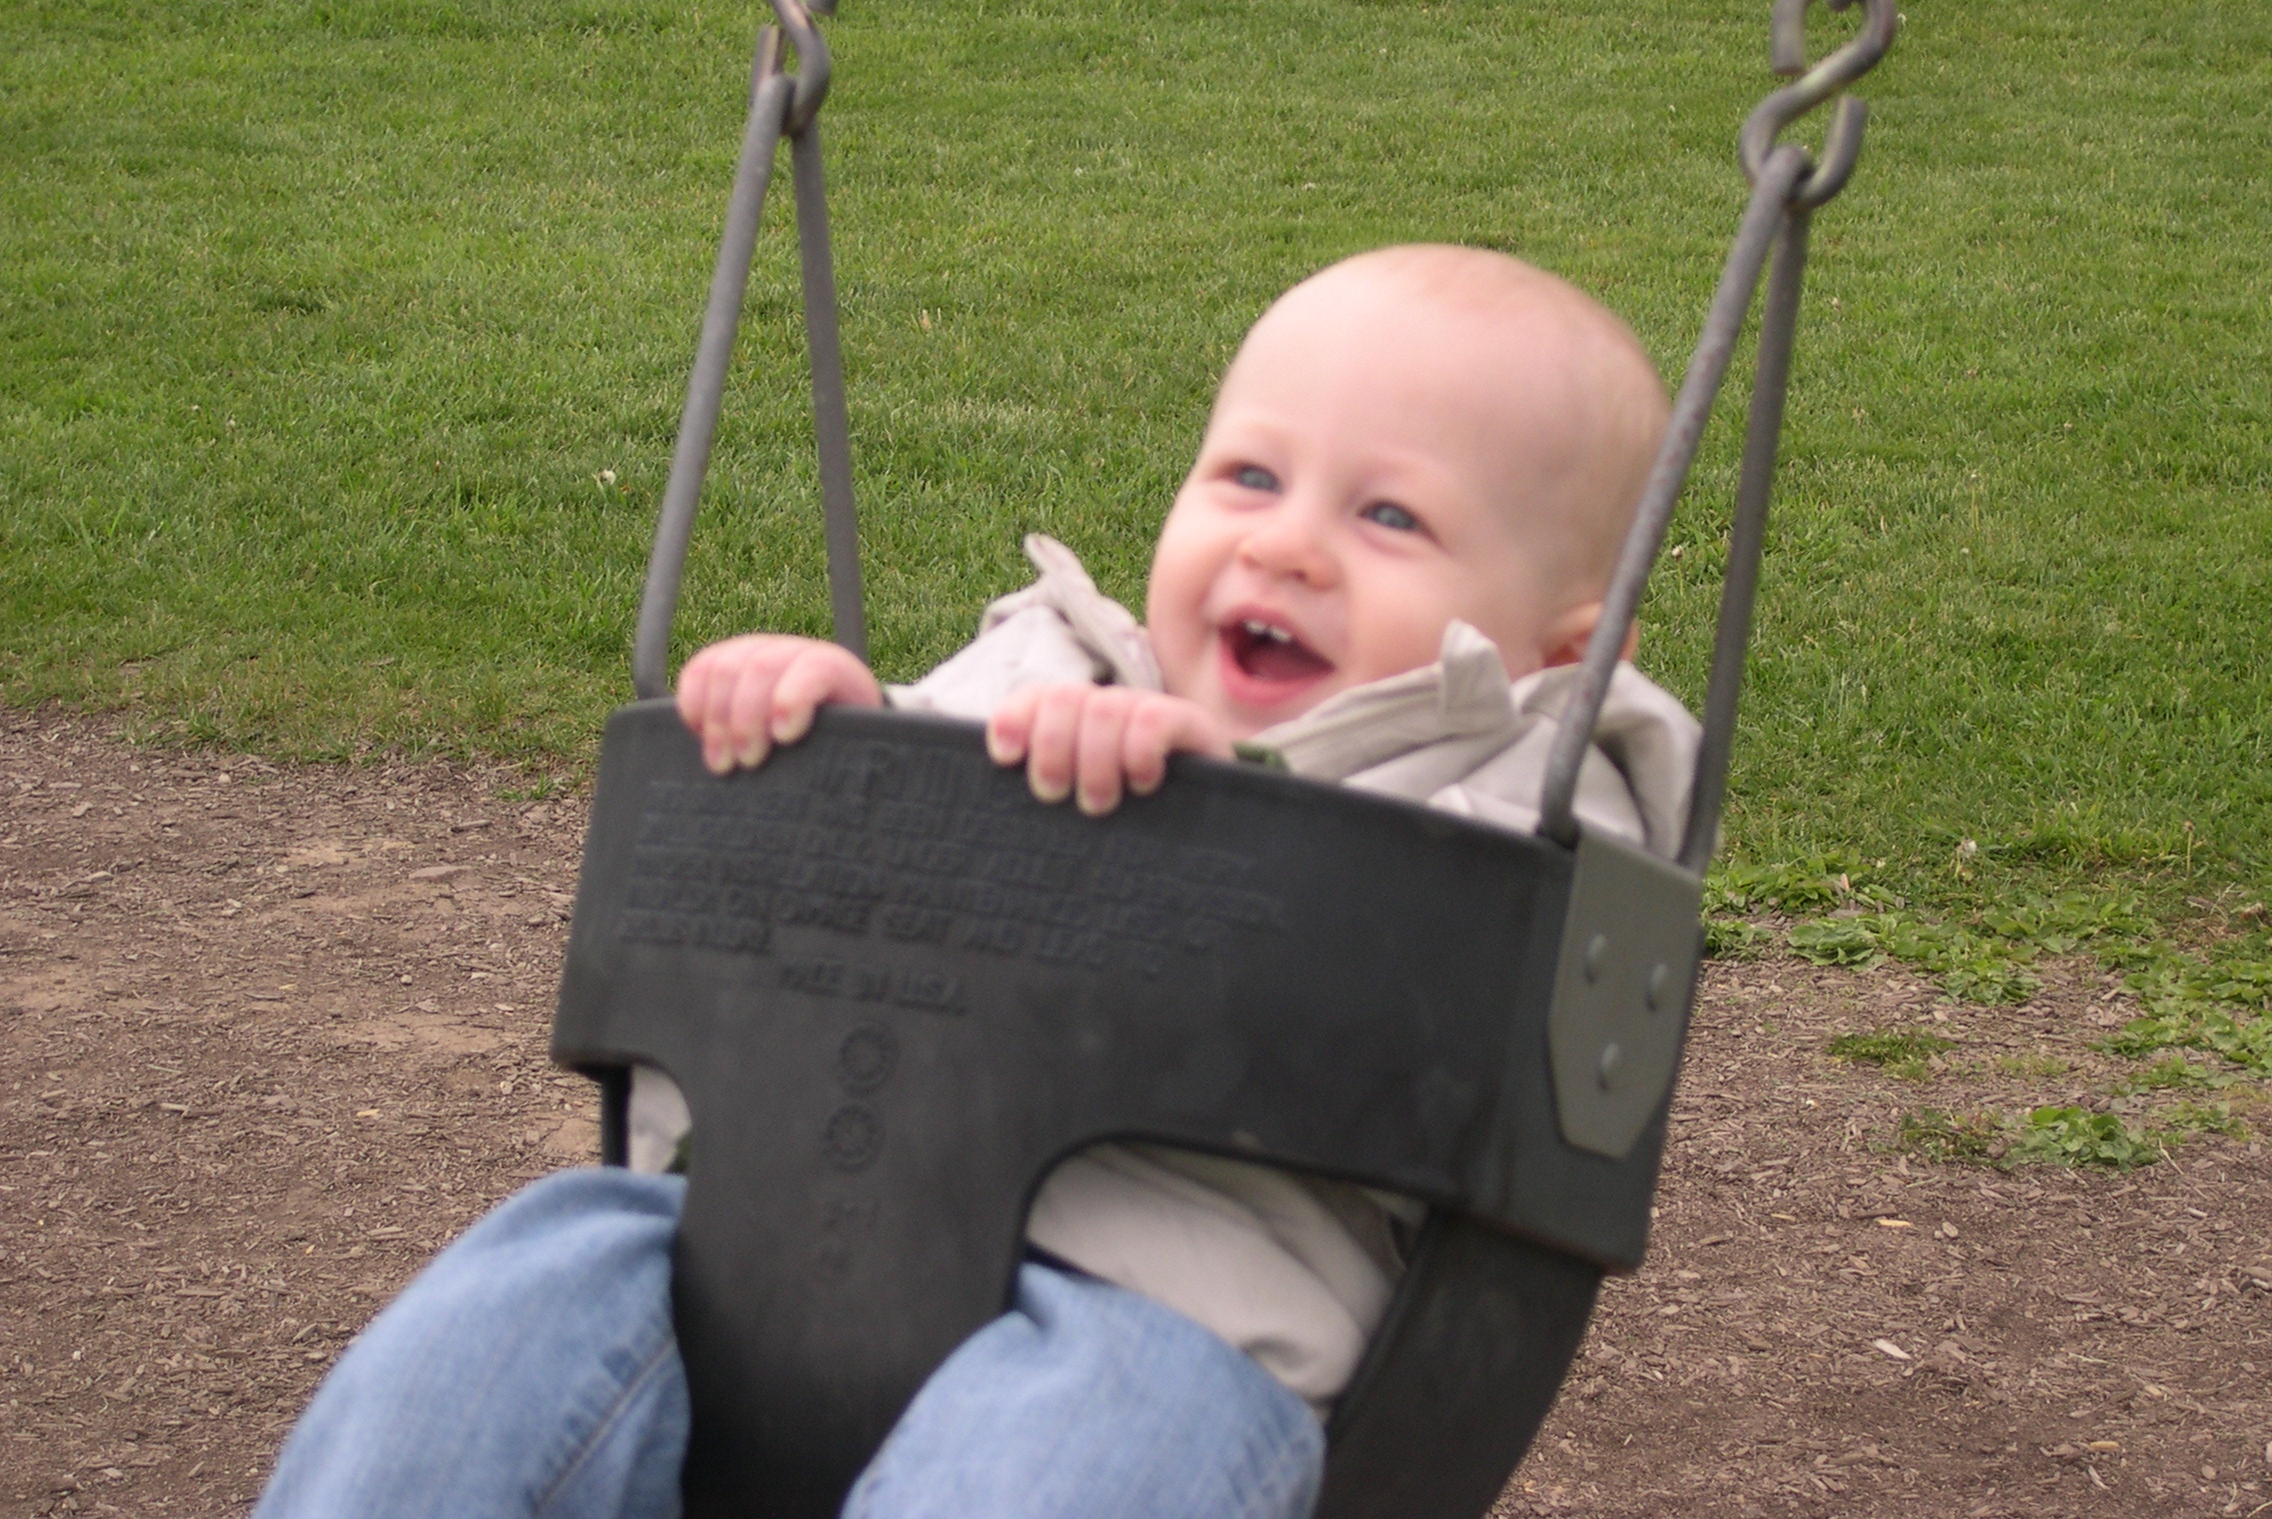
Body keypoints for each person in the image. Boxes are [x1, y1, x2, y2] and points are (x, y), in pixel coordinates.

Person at [253, 245, 1699, 1519]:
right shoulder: (1052, 663)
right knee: (536, 1282)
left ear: (1560, 652)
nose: (1284, 542)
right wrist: (823, 718)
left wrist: (1235, 809)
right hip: (791, 1237)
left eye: (1391, 519)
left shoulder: (1535, 763)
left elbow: (1493, 960)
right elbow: (878, 847)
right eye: (1249, 476)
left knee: (1090, 1448)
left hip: (1172, 1322)